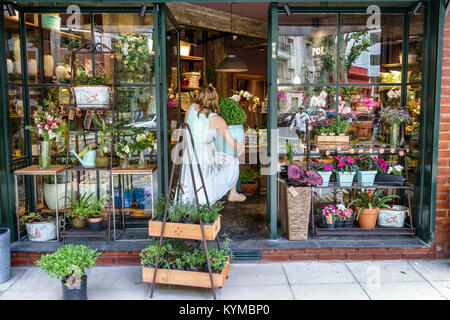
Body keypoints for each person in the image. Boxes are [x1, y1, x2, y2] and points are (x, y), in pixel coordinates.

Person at [178, 85, 245, 205]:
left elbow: (188, 129)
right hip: (206, 161)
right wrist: (241, 146)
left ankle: (189, 205)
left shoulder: (190, 108)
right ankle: (230, 194)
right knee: (233, 161)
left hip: (189, 158)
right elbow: (231, 142)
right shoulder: (216, 119)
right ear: (215, 100)